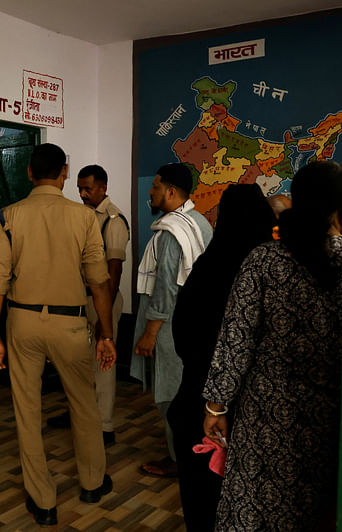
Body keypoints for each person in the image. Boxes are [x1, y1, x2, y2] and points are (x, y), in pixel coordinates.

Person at [203, 161, 342, 531]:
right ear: (341, 207)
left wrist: (216, 405)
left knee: (255, 512)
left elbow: (236, 339)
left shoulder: (264, 260)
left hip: (264, 422)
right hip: (331, 421)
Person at [0, 143, 116, 526]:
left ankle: (43, 502)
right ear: (63, 174)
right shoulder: (84, 217)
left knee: (27, 411)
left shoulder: (9, 216)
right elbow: (99, 283)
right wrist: (106, 334)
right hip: (70, 323)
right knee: (84, 404)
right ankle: (92, 483)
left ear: (29, 173)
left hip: (22, 321)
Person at [168, 184, 275, 531]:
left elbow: (183, 332)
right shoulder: (273, 268)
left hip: (201, 402)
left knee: (202, 500)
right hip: (258, 410)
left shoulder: (208, 266)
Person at [131, 163, 213, 478]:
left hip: (171, 328)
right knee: (190, 392)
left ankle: (179, 459)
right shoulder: (200, 223)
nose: (149, 194)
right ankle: (193, 451)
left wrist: (150, 333)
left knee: (170, 396)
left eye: (154, 187)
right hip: (196, 323)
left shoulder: (171, 232)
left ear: (170, 191)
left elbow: (165, 287)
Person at [48, 164, 129, 446]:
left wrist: (103, 313)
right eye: (79, 187)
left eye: (88, 189)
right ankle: (78, 415)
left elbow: (114, 271)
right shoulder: (81, 215)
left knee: (102, 362)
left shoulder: (113, 220)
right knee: (77, 361)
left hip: (101, 299)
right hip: (78, 298)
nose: (82, 193)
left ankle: (105, 425)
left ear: (103, 188)